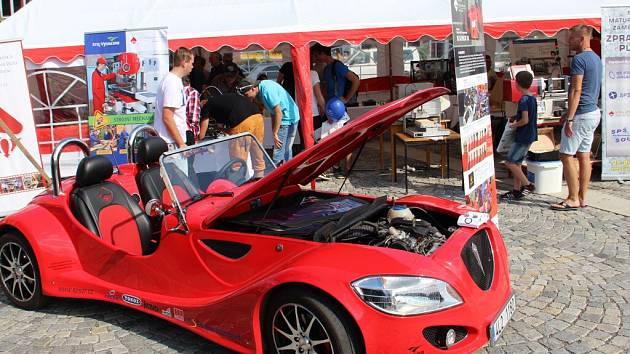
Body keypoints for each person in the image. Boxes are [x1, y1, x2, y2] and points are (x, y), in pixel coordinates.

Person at [551, 25, 602, 210]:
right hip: (593, 112)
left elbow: (576, 89)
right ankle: (582, 197)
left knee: (566, 155)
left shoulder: (579, 59)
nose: (569, 42)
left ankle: (572, 198)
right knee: (583, 155)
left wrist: (570, 118)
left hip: (581, 114)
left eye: (571, 38)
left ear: (581, 38)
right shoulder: (596, 59)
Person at [311, 44, 359, 174]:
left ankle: (348, 167)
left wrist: (346, 98)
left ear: (322, 54)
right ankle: (336, 165)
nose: (315, 58)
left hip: (339, 109)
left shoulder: (338, 66)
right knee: (331, 139)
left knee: (345, 138)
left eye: (316, 55)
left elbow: (355, 80)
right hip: (330, 109)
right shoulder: (327, 69)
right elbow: (326, 89)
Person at [199, 92, 265, 178]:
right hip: (258, 117)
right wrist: (221, 129)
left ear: (202, 102)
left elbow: (204, 126)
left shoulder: (207, 104)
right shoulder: (222, 101)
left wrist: (199, 140)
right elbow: (230, 128)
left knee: (237, 160)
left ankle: (239, 183)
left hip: (243, 121)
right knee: (258, 155)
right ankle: (259, 181)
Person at [239, 79, 300, 165]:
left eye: (246, 95)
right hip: (292, 115)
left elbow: (278, 113)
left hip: (286, 118)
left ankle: (278, 174)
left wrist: (275, 133)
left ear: (253, 89)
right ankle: (288, 171)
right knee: (286, 150)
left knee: (278, 153)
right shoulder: (262, 87)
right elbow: (273, 112)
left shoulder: (266, 91)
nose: (246, 98)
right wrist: (274, 130)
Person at [500, 71, 537, 200]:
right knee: (517, 163)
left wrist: (513, 125)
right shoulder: (532, 97)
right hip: (530, 134)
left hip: (523, 135)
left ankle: (528, 185)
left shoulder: (523, 100)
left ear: (517, 83)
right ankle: (516, 190)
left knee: (510, 162)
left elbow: (525, 120)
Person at [153, 47, 194, 149]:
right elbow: (167, 117)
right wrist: (181, 143)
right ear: (184, 62)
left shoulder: (173, 80)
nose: (192, 66)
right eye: (191, 63)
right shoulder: (172, 82)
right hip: (171, 143)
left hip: (171, 141)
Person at [183, 76, 201, 145]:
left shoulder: (172, 91)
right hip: (188, 134)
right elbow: (194, 119)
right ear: (189, 83)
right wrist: (195, 138)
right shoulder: (192, 92)